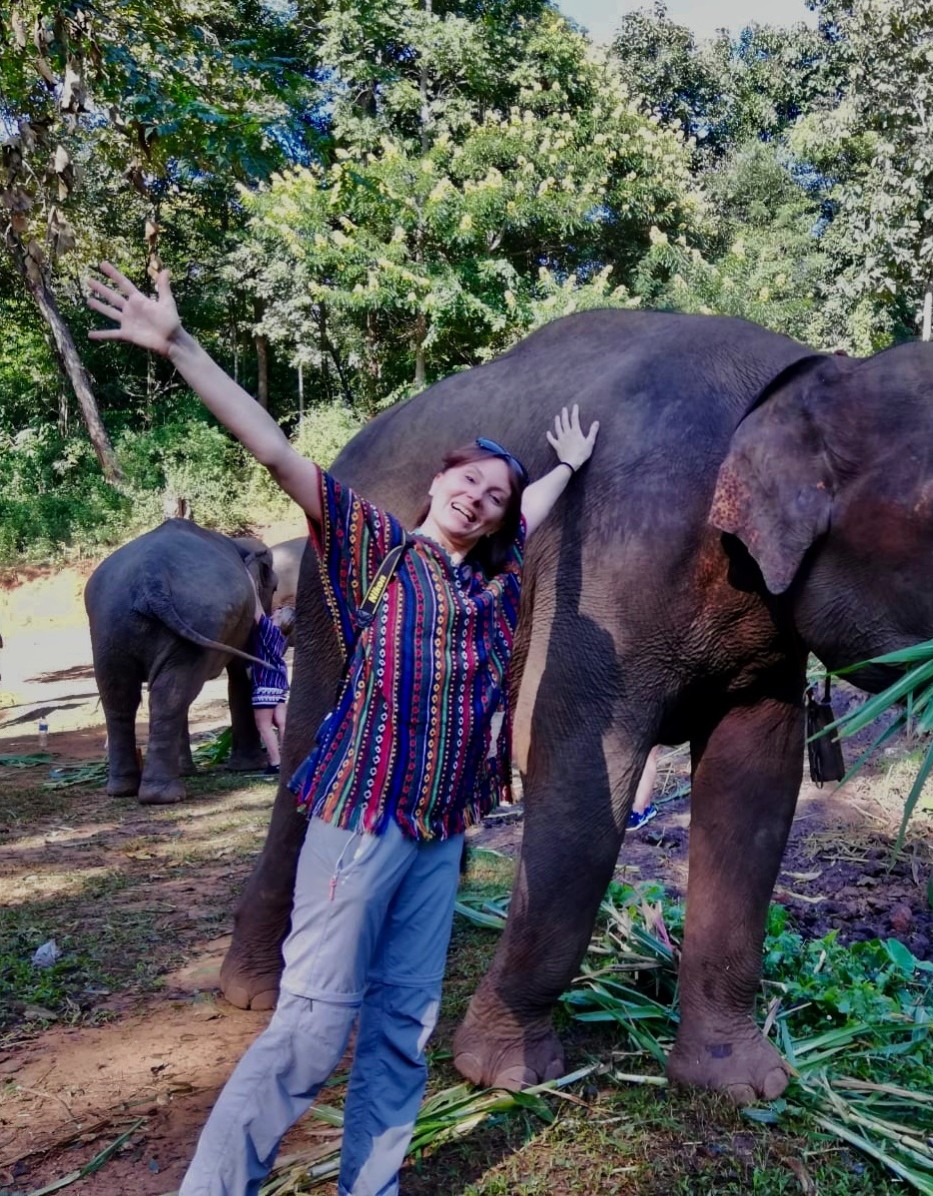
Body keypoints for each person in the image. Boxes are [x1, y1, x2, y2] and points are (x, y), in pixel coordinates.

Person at [87, 261, 598, 1196]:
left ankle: (375, 1183)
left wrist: (563, 465)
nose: (479, 501)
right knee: (314, 1027)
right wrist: (182, 346)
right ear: (441, 480)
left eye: (491, 500)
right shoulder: (377, 551)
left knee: (404, 1025)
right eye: (469, 483)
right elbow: (277, 451)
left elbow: (529, 507)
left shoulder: (492, 580)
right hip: (360, 827)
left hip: (440, 838)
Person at [246, 583, 289, 773]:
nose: (274, 613)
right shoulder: (280, 636)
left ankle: (276, 762)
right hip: (279, 684)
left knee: (263, 725)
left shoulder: (269, 631)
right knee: (281, 722)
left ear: (282, 621)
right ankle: (288, 760)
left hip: (265, 684)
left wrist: (251, 585)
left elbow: (257, 613)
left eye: (278, 614)